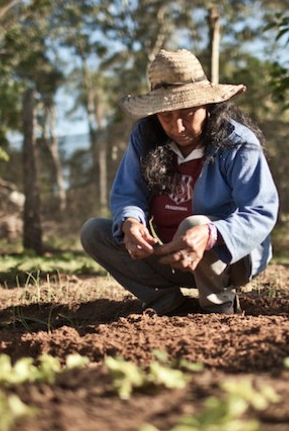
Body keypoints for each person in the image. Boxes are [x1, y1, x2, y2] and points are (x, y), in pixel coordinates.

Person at [80, 49, 278, 316]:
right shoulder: (146, 138)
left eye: (188, 113)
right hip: (174, 257)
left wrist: (211, 234)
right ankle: (167, 304)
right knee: (95, 232)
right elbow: (128, 194)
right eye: (167, 116)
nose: (178, 127)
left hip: (231, 260)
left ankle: (219, 306)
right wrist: (131, 223)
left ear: (208, 106)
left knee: (195, 225)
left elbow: (261, 211)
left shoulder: (237, 142)